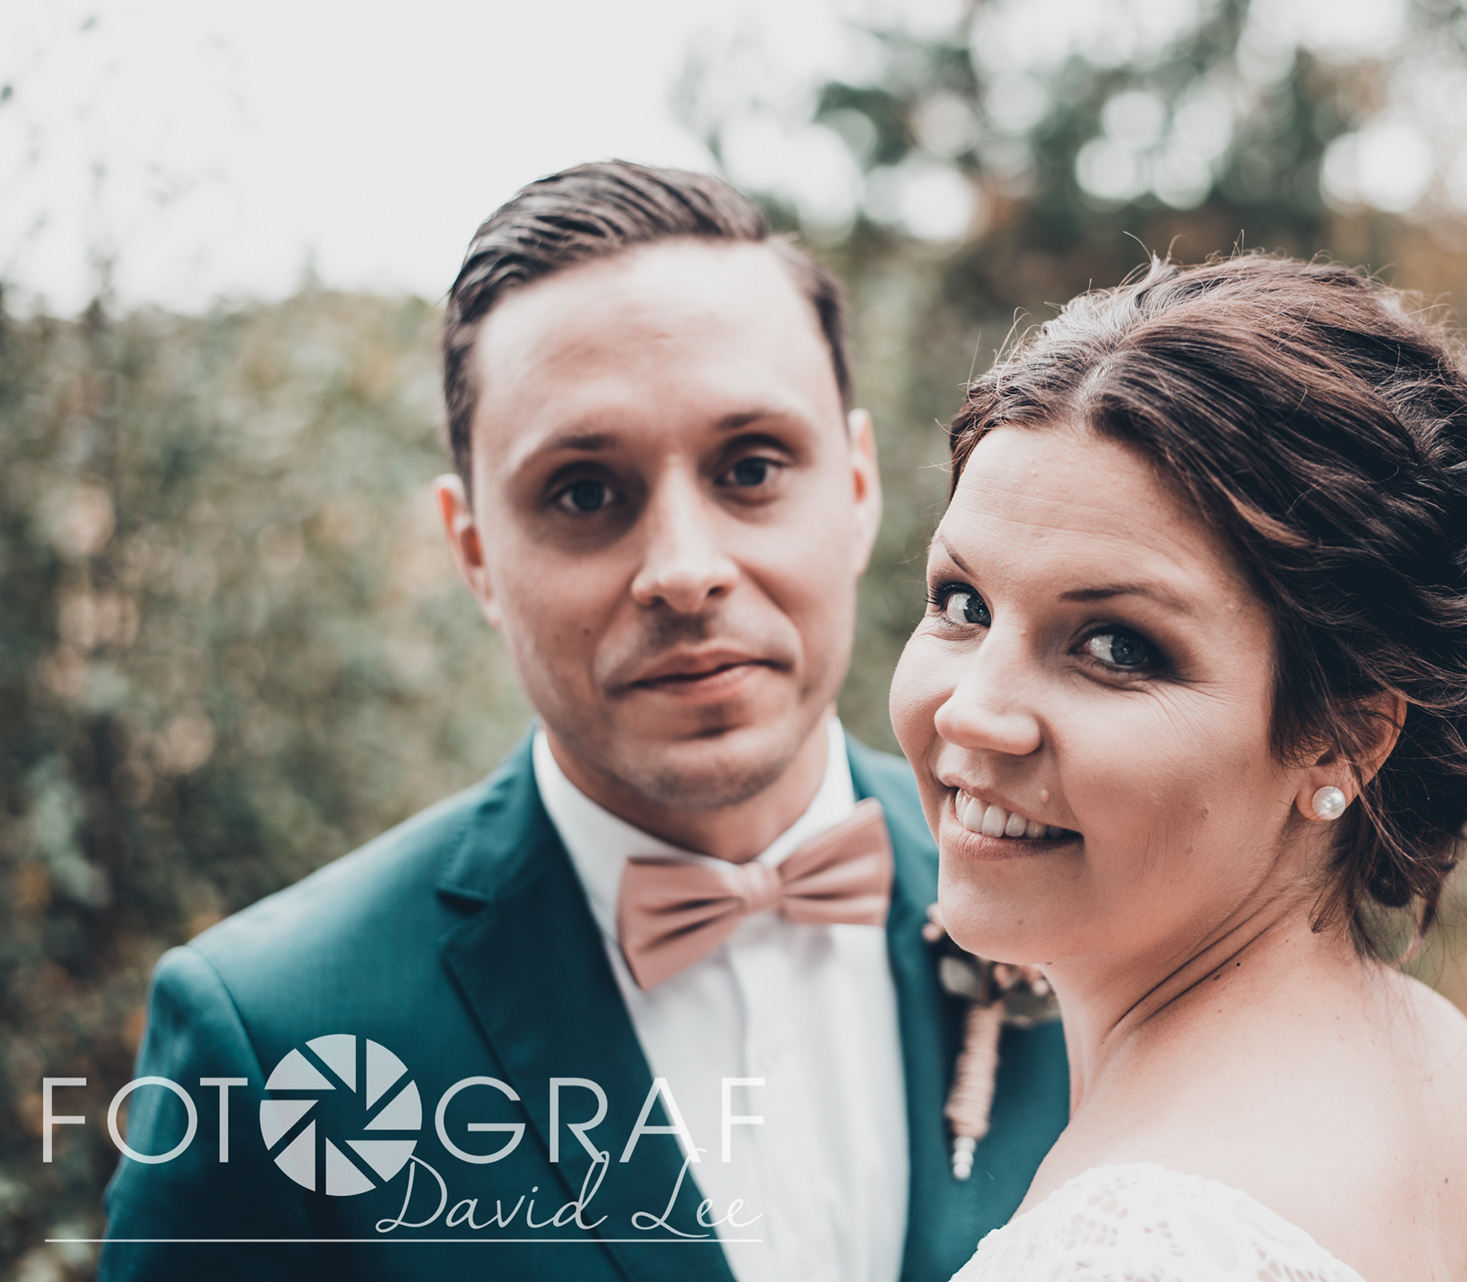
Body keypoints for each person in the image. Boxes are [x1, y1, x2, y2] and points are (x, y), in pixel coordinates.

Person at [99, 163, 1068, 1282]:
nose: (685, 570)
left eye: (751, 467)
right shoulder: (272, 1040)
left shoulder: (1084, 894)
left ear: (856, 487)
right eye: (583, 493)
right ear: (473, 551)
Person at [889, 255, 1467, 1281]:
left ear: (1344, 736)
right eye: (963, 603)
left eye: (1117, 647)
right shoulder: (1451, 1069)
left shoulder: (1133, 1254)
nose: (972, 711)